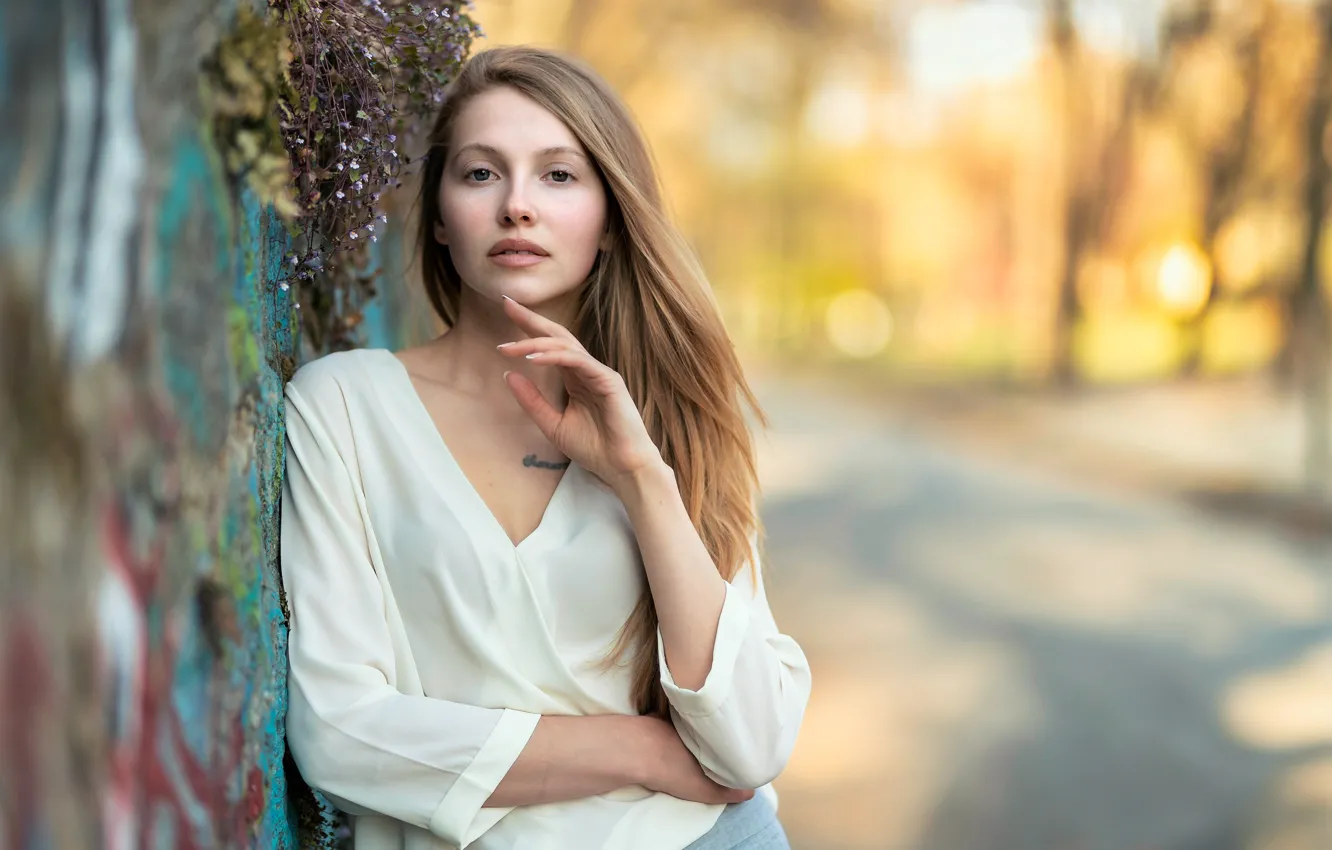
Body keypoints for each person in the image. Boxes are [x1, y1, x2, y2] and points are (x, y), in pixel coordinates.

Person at [279, 45, 812, 850]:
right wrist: (640, 749)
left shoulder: (666, 422)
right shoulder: (343, 408)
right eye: (481, 173)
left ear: (607, 223)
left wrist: (639, 476)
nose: (517, 206)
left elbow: (748, 748)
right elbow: (339, 733)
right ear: (437, 217)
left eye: (559, 175)